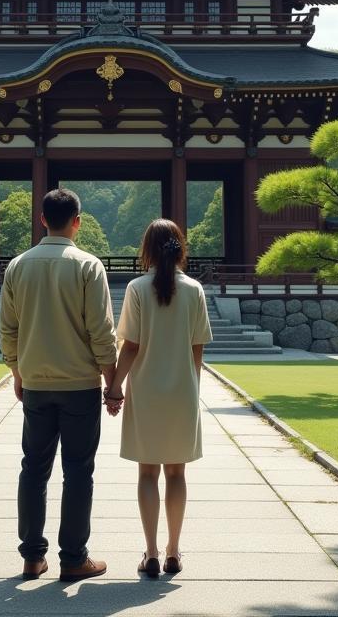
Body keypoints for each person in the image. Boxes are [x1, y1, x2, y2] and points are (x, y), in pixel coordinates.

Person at [0, 187, 118, 583]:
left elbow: (8, 330)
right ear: (77, 222)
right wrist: (111, 378)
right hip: (80, 383)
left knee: (33, 468)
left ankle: (32, 557)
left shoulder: (17, 265)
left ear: (43, 219)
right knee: (78, 471)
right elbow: (101, 330)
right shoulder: (88, 266)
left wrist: (17, 373)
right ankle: (73, 558)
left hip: (35, 382)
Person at [105, 218, 213, 578]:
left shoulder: (137, 288)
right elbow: (197, 351)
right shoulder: (194, 289)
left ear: (147, 250)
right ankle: (173, 551)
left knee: (148, 473)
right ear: (180, 247)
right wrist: (192, 389)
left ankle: (150, 551)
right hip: (183, 391)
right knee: (177, 473)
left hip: (147, 391)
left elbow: (131, 346)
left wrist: (115, 386)